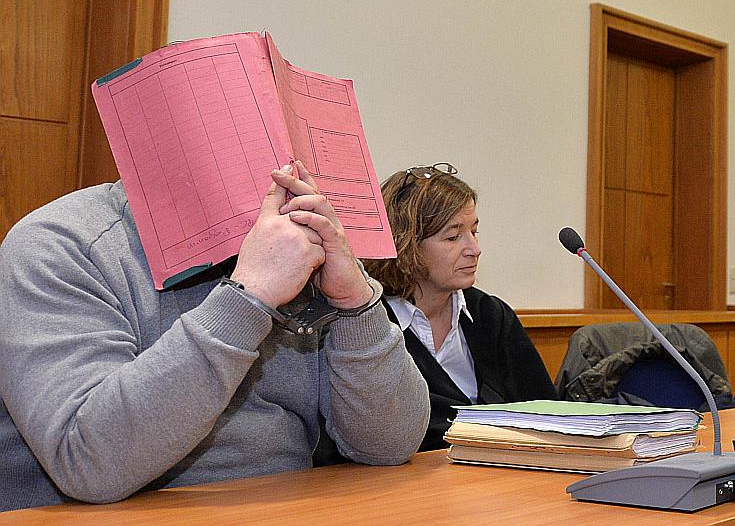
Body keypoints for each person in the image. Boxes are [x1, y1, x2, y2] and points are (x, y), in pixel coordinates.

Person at [0, 162, 429, 512]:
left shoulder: (297, 242)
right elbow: (91, 464)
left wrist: (355, 300)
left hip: (285, 507)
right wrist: (250, 296)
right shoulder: (58, 245)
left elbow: (388, 445)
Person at [371, 164, 556, 452]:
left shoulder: (490, 315)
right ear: (405, 243)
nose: (475, 248)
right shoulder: (370, 324)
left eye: (474, 231)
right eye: (453, 237)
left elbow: (547, 413)